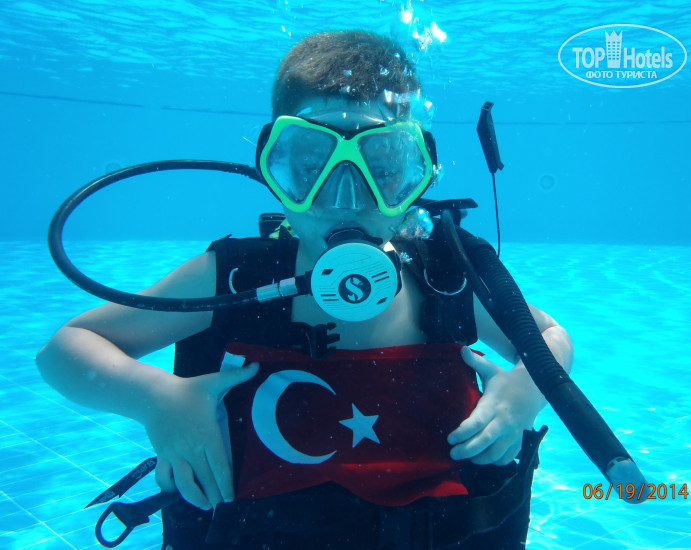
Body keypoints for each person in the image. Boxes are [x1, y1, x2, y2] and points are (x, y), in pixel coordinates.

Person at [37, 30, 573, 550]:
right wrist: (156, 400)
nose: (345, 198)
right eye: (311, 165)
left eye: (382, 167)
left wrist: (524, 393)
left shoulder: (446, 279)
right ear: (273, 168)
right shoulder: (235, 279)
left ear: (417, 174)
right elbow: (64, 350)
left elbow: (550, 335)